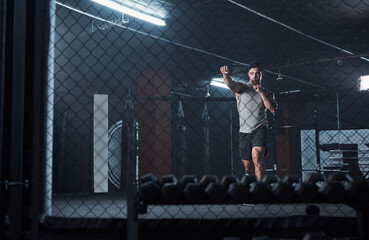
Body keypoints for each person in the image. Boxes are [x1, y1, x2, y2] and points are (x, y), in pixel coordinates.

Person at [220, 62, 277, 181]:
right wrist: (226, 76)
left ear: (262, 75)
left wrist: (261, 92)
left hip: (260, 129)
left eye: (257, 74)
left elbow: (272, 109)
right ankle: (251, 182)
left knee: (257, 158)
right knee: (248, 167)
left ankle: (260, 190)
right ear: (248, 74)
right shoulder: (242, 88)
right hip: (244, 132)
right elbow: (231, 85)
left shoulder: (268, 93)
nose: (254, 76)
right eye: (252, 73)